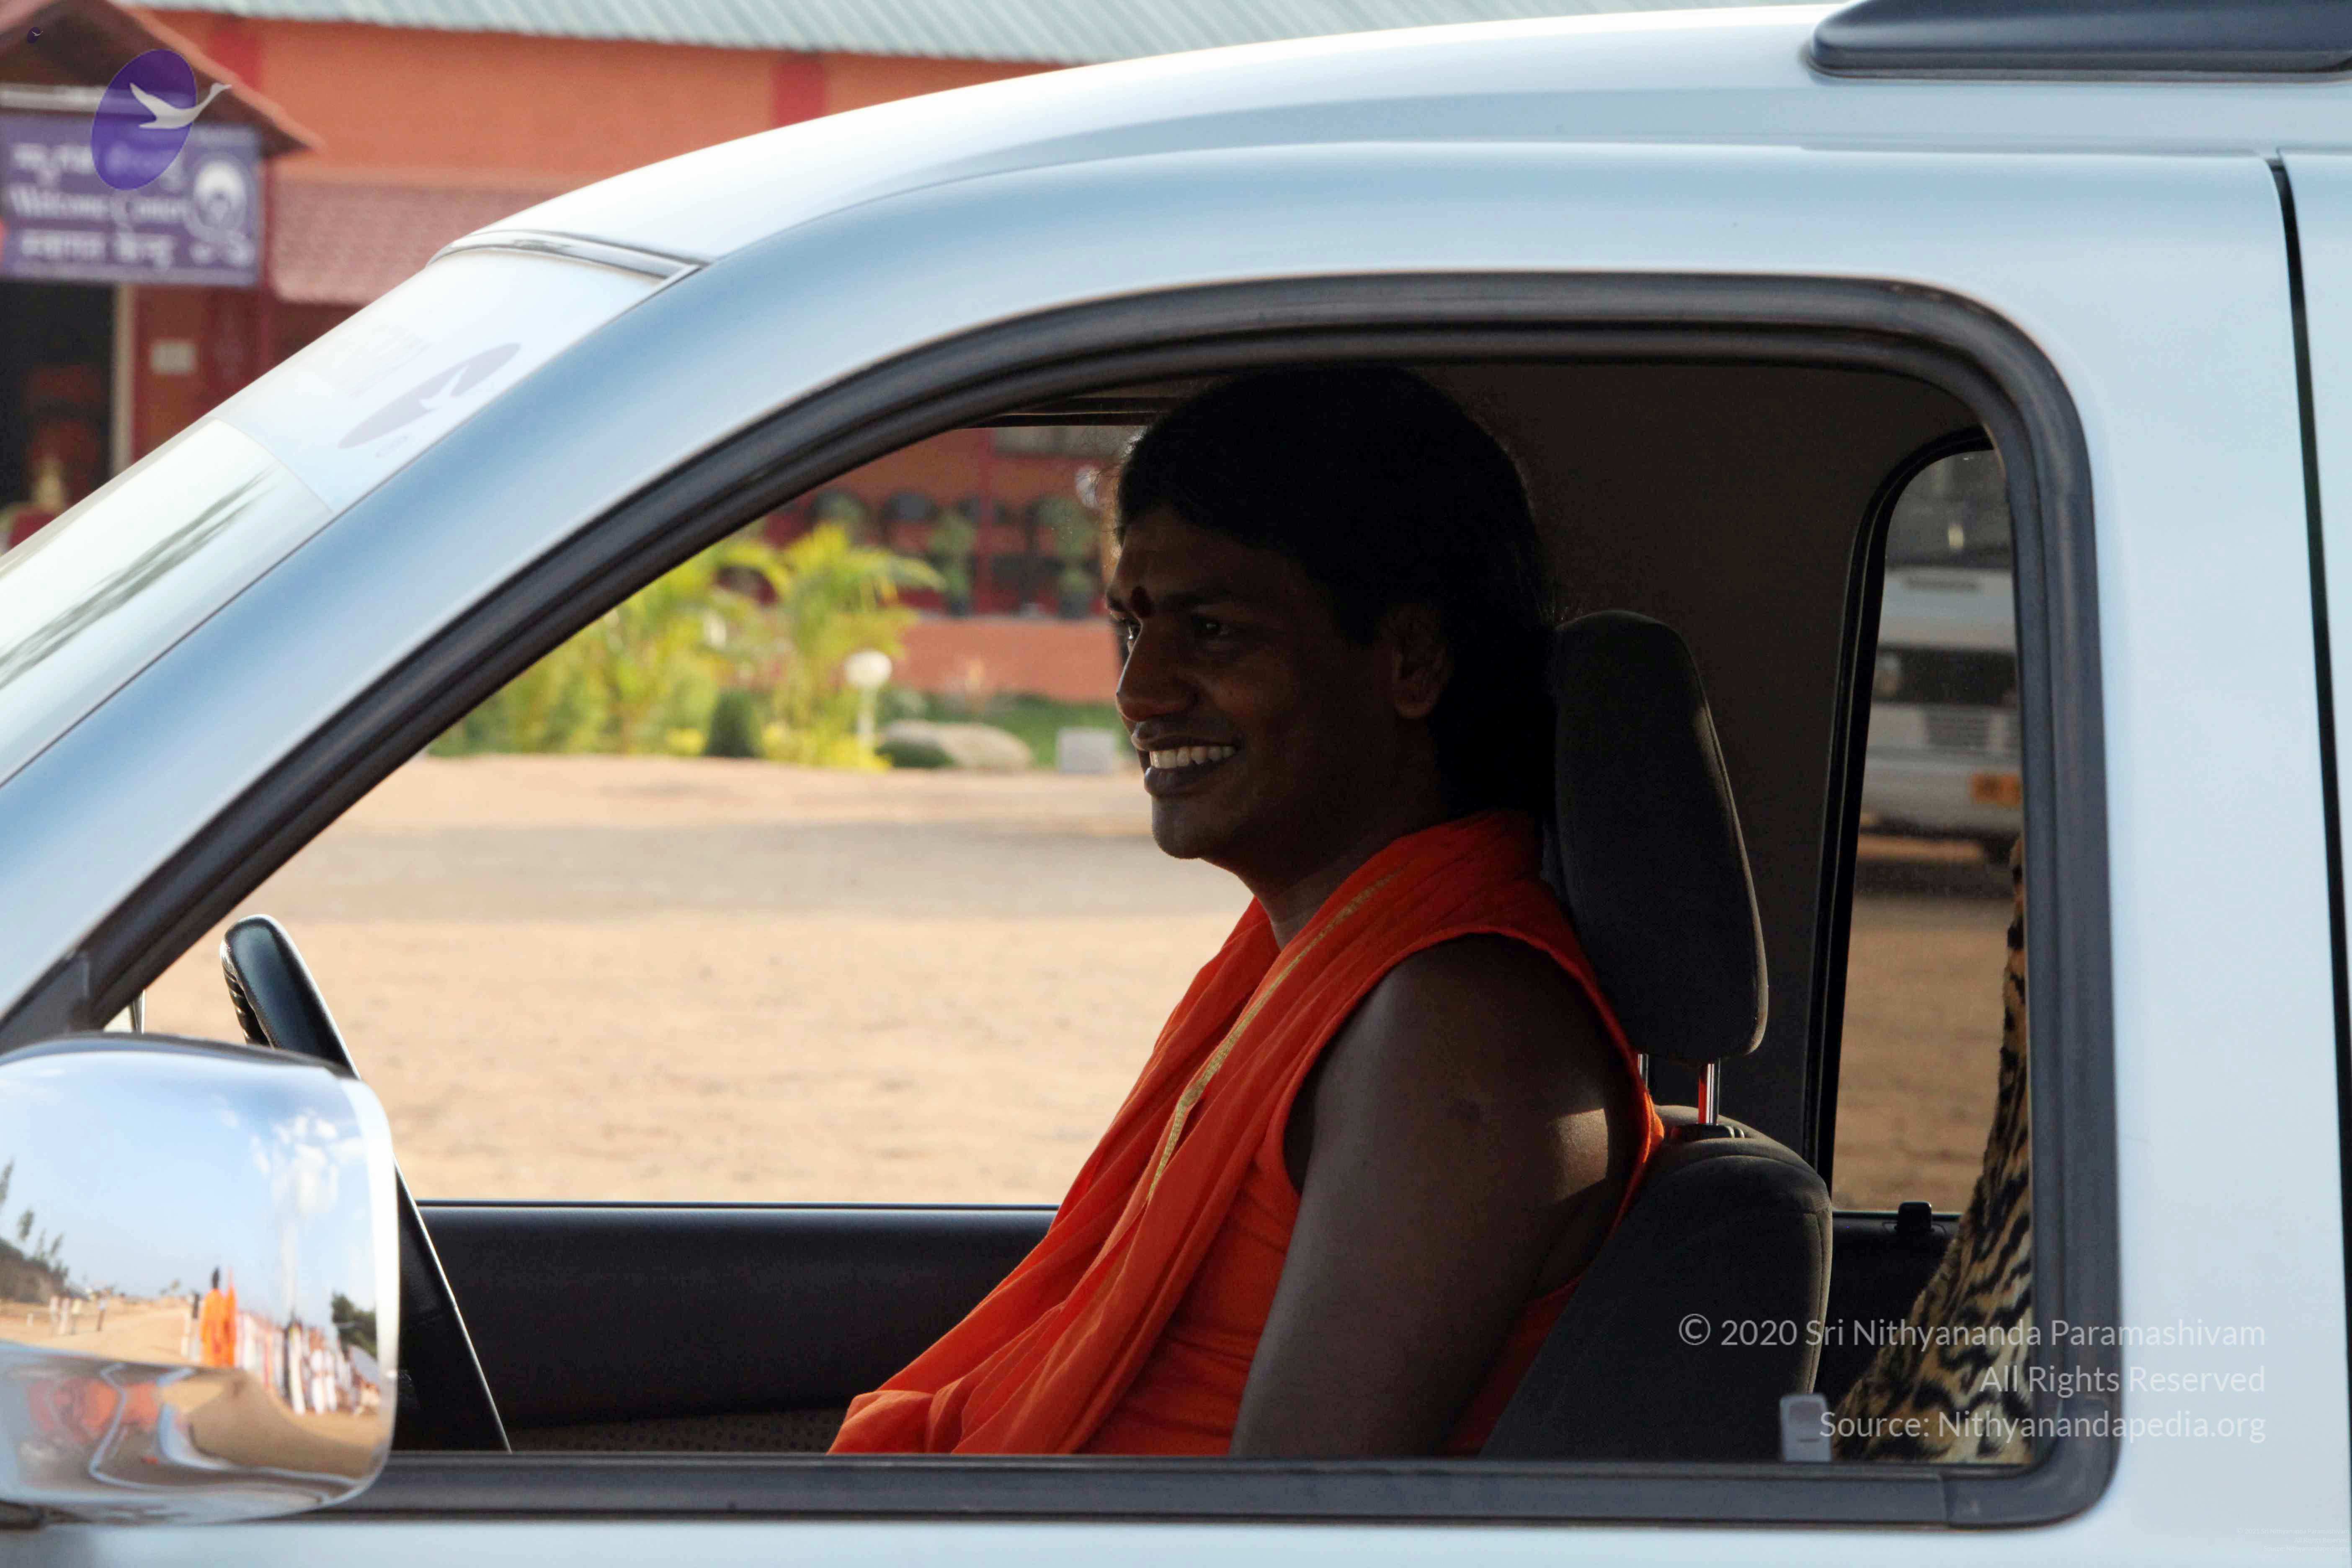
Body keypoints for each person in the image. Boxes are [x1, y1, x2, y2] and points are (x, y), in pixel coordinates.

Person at [830, 368, 1661, 1458]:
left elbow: (1291, 1520)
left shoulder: (1459, 1029)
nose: (1139, 693)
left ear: (1409, 661)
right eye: (1135, 627)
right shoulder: (1325, 964)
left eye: (1214, 631)